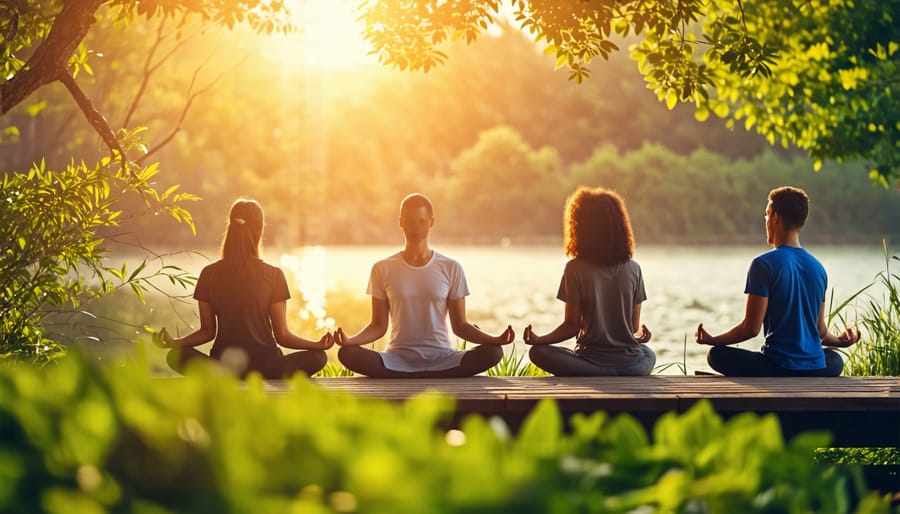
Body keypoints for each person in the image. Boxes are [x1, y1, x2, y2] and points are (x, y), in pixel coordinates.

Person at [334, 193, 514, 378]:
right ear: (401, 222)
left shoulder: (451, 267)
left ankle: (411, 375)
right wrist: (351, 341)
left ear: (431, 222)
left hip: (443, 358)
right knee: (347, 354)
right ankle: (422, 374)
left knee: (493, 352)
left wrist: (494, 339)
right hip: (397, 358)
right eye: (410, 222)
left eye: (421, 221)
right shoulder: (382, 268)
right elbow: (378, 325)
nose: (416, 227)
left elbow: (460, 325)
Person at [695, 186, 860, 376]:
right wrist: (841, 341)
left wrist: (712, 340)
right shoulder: (818, 268)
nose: (765, 221)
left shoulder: (762, 265)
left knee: (715, 355)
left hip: (777, 366)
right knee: (835, 359)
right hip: (815, 369)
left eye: (766, 215)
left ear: (775, 218)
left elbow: (750, 328)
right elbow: (819, 331)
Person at [158, 199, 332, 379]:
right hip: (267, 367)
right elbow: (282, 335)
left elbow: (207, 332)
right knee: (317, 357)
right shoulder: (274, 275)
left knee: (176, 356)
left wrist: (176, 343)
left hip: (224, 367)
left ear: (230, 228)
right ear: (259, 231)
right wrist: (316, 345)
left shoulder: (209, 274)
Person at [523, 187, 655, 376]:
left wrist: (540, 339)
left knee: (538, 352)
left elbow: (572, 326)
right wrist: (639, 338)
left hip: (591, 363)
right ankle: (616, 371)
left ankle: (603, 371)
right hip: (633, 366)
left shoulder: (574, 269)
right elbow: (633, 327)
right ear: (620, 226)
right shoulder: (634, 268)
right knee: (647, 352)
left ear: (579, 226)